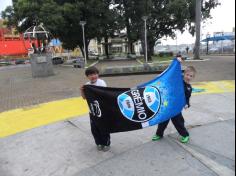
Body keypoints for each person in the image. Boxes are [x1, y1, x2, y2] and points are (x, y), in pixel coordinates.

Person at [152, 58, 197, 143]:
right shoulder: (178, 79)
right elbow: (171, 72)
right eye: (187, 75)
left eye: (191, 76)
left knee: (178, 122)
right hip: (168, 104)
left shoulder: (188, 88)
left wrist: (187, 104)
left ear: (193, 77)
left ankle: (185, 135)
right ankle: (159, 134)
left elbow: (187, 98)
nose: (189, 77)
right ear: (184, 74)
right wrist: (177, 61)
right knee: (163, 120)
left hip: (176, 108)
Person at [80, 66, 111, 152]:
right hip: (92, 112)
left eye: (95, 74)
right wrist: (82, 90)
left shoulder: (101, 83)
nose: (93, 76)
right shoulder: (87, 85)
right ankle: (99, 143)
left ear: (98, 74)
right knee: (94, 129)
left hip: (102, 111)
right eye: (90, 75)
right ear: (87, 76)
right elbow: (84, 98)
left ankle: (106, 143)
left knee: (104, 128)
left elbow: (105, 94)